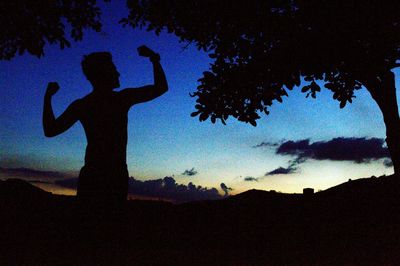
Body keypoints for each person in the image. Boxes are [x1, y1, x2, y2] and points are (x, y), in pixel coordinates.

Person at [43, 45, 168, 202]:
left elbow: (50, 130)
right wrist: (154, 59)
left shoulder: (83, 105)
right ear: (104, 73)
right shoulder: (121, 99)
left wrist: (48, 98)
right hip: (114, 176)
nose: (118, 73)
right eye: (113, 69)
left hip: (94, 175)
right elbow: (161, 87)